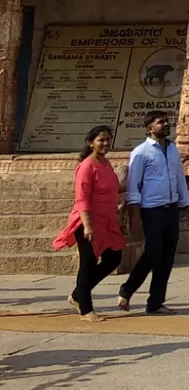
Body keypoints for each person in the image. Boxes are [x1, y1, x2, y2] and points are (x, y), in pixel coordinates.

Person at [117, 112, 189, 315]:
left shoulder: (173, 150)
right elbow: (133, 185)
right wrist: (134, 214)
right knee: (152, 253)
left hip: (171, 207)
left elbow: (179, 179)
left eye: (167, 122)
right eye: (161, 122)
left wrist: (186, 204)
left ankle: (156, 302)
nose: (166, 125)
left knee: (167, 257)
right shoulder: (141, 153)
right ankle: (127, 289)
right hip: (152, 209)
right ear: (150, 128)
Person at [52, 125, 124, 320]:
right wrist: (88, 225)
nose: (105, 143)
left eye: (108, 139)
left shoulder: (106, 164)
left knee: (113, 258)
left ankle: (78, 294)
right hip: (88, 220)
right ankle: (85, 308)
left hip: (107, 220)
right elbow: (81, 198)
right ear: (91, 143)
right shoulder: (86, 166)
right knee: (88, 263)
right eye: (101, 140)